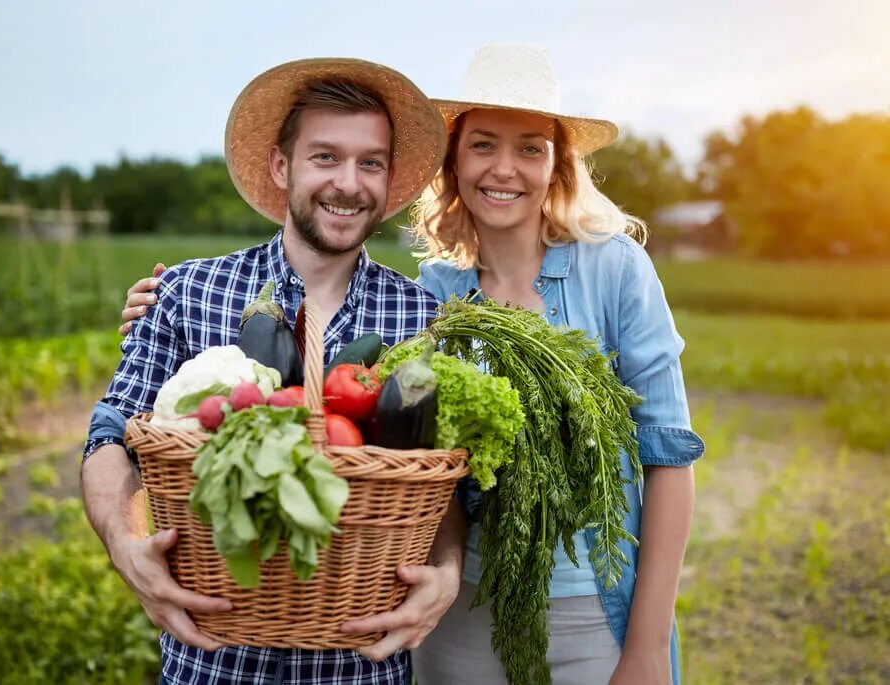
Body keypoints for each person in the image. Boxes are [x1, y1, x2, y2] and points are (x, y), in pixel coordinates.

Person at [121, 44, 704, 685]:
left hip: (595, 603)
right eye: (483, 144)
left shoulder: (614, 270)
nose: (504, 168)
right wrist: (161, 303)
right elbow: (424, 464)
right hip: (459, 609)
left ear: (557, 166)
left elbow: (668, 453)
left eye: (531, 147)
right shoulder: (433, 297)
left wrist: (647, 647)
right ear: (454, 162)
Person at [81, 57, 467, 685]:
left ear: (389, 178)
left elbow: (443, 479)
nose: (349, 182)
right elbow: (110, 435)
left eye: (370, 162)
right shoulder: (185, 292)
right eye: (325, 157)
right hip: (212, 660)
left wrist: (446, 571)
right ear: (281, 166)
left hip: (360, 666)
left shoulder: (428, 319)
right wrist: (125, 547)